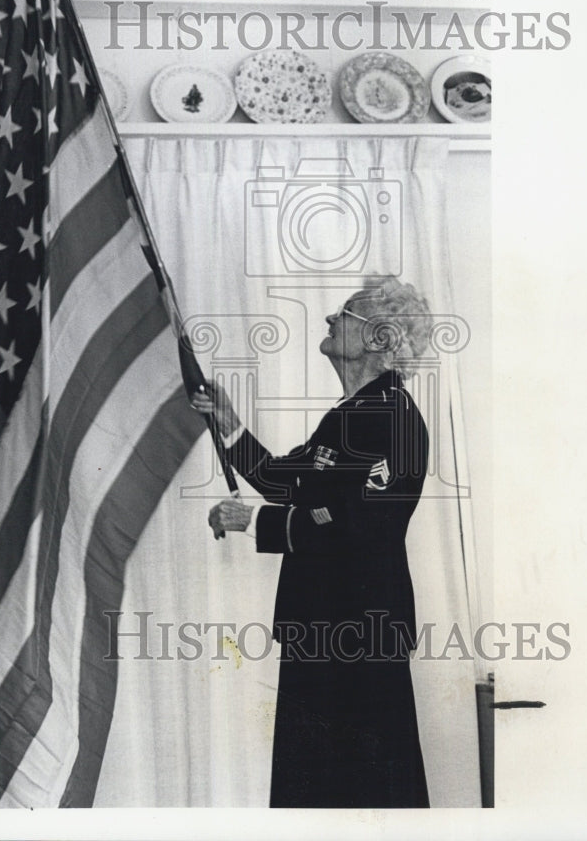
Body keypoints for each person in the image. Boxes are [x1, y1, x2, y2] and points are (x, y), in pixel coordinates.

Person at [192, 277, 432, 808]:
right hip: (322, 628)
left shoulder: (397, 419)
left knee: (363, 793)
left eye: (344, 313)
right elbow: (285, 480)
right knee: (316, 788)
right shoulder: (349, 416)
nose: (329, 320)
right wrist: (228, 424)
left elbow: (361, 524)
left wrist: (256, 522)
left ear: (381, 338)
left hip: (359, 633)